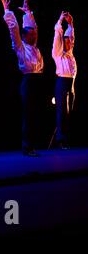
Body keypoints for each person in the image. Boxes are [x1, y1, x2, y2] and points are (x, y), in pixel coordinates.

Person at [1, 0, 43, 157]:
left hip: (38, 80)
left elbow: (34, 28)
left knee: (35, 114)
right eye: (31, 35)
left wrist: (27, 12)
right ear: (25, 37)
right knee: (28, 114)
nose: (34, 36)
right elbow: (14, 29)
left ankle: (33, 145)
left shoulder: (34, 46)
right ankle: (27, 146)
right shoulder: (20, 46)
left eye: (34, 34)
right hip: (28, 81)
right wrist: (7, 11)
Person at [52, 11, 76, 150]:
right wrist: (60, 21)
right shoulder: (58, 54)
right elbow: (58, 37)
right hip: (61, 83)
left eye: (69, 41)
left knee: (69, 113)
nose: (69, 42)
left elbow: (72, 36)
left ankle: (66, 137)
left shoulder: (70, 54)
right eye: (66, 41)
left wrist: (70, 23)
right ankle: (60, 139)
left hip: (70, 84)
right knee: (61, 112)